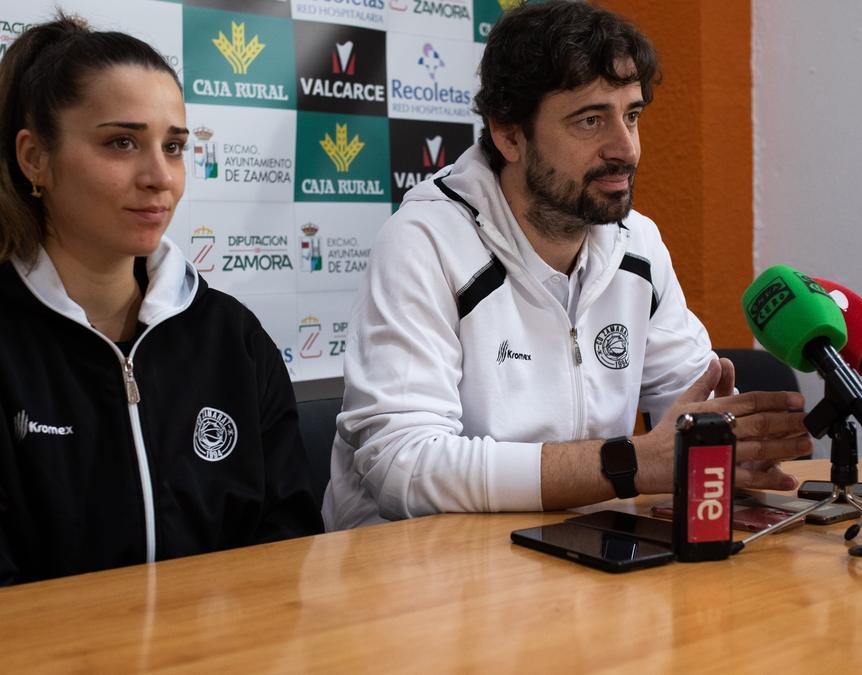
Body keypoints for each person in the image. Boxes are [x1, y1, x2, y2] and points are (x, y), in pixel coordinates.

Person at [0, 16, 323, 608]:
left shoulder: (233, 337)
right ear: (35, 158)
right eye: (121, 143)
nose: (160, 179)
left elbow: (287, 554)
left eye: (173, 147)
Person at [323, 1, 810, 530]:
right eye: (590, 120)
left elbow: (692, 415)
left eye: (632, 115)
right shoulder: (424, 242)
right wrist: (629, 465)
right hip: (414, 578)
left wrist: (732, 444)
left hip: (577, 558)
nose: (626, 149)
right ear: (509, 134)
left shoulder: (638, 244)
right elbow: (403, 469)